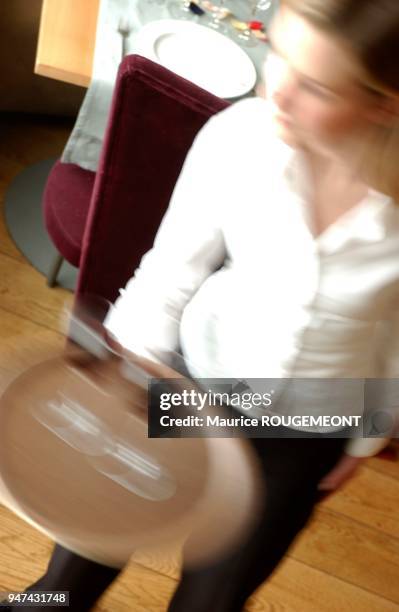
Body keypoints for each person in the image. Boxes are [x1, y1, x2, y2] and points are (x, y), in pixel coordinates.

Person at [5, 1, 399, 610]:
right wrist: (123, 374)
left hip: (303, 430)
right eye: (279, 55)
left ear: (385, 104)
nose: (279, 94)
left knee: (213, 601)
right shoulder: (242, 138)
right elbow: (169, 273)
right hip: (182, 381)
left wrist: (363, 439)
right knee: (70, 577)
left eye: (316, 86)